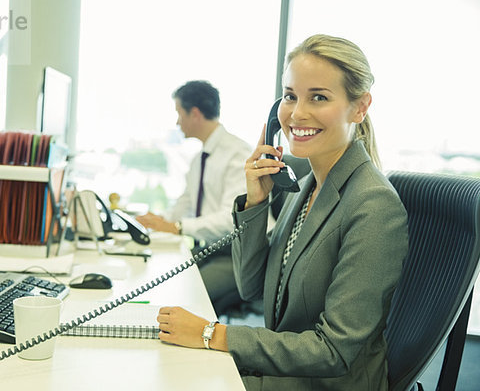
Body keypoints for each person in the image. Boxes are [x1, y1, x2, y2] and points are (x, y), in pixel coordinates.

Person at [156, 34, 408, 391]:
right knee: (167, 365)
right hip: (286, 372)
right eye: (290, 96)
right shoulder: (305, 186)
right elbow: (252, 286)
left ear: (359, 107)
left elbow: (333, 350)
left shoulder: (373, 205)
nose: (297, 113)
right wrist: (256, 203)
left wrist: (214, 333)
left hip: (322, 383)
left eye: (318, 97)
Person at [136, 80, 252, 314]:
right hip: (210, 248)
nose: (177, 122)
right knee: (160, 279)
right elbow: (186, 201)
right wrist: (159, 222)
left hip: (237, 257)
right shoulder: (200, 159)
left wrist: (177, 227)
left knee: (184, 296)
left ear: (195, 114)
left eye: (179, 113)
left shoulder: (237, 154)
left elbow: (231, 220)